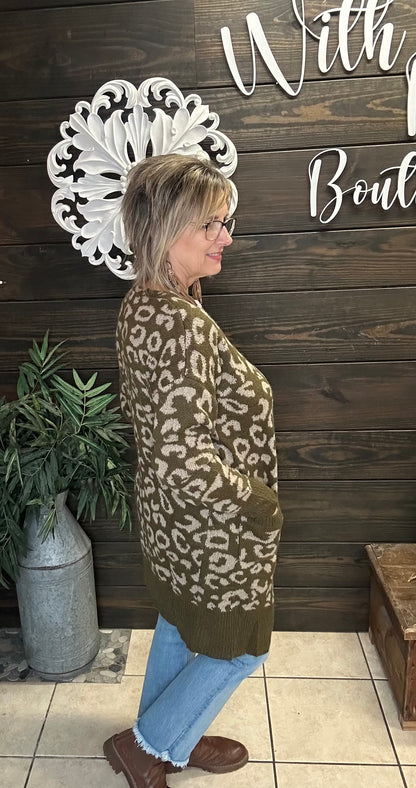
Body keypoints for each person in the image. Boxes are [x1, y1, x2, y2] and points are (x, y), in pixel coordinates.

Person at [104, 153, 283, 788]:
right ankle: (149, 743)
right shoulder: (176, 324)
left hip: (172, 523)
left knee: (181, 622)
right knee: (242, 647)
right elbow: (184, 457)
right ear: (167, 227)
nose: (226, 237)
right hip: (213, 526)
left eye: (224, 222)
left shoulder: (145, 302)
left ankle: (169, 735)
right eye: (210, 224)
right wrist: (256, 503)